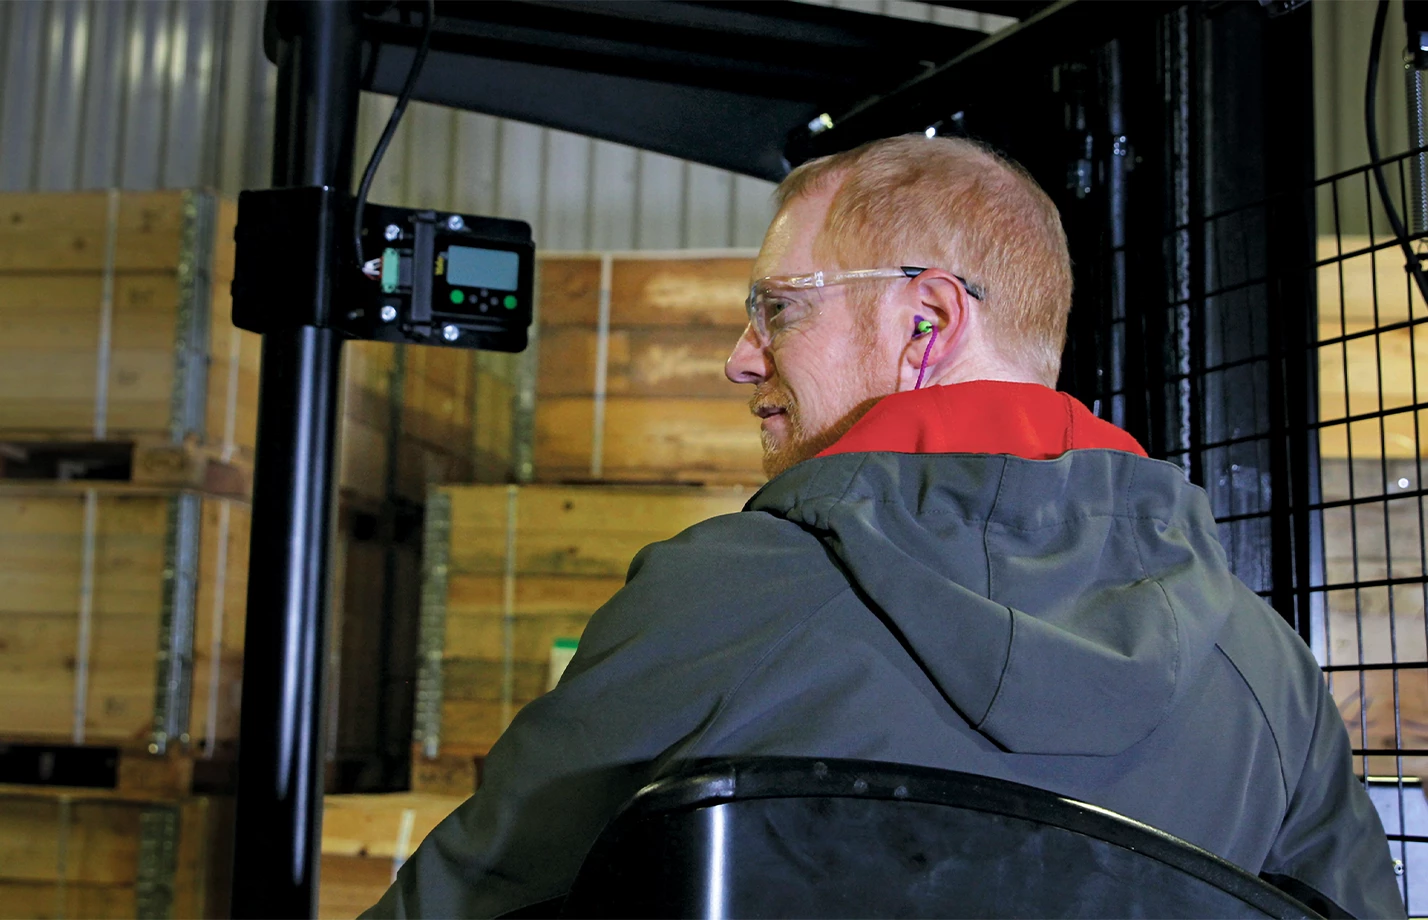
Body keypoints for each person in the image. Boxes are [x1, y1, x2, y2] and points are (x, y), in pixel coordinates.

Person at [365, 135, 1404, 918]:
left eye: (776, 307)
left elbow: (465, 903)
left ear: (927, 323)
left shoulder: (719, 600)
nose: (740, 355)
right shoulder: (1266, 668)